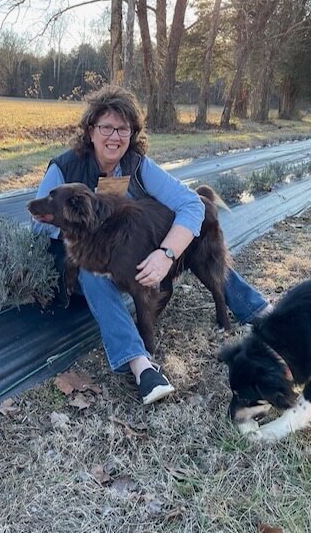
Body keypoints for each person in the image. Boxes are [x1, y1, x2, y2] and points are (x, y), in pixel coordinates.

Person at [30, 85, 271, 406]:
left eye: (123, 129)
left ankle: (257, 309)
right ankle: (141, 364)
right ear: (90, 131)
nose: (114, 137)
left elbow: (192, 205)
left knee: (200, 247)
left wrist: (166, 253)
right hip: (85, 257)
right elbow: (37, 221)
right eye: (106, 127)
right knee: (94, 274)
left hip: (136, 249)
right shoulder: (64, 168)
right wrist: (80, 229)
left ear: (132, 133)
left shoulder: (138, 165)